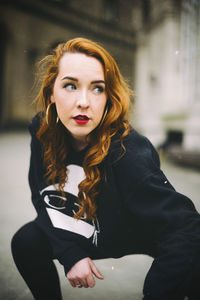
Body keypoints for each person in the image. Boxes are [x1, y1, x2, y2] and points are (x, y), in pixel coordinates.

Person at [11, 37, 200, 300]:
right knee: (27, 241)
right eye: (70, 86)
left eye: (97, 89)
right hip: (86, 229)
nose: (84, 102)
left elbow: (187, 226)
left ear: (109, 97)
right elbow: (41, 195)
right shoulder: (42, 130)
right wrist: (70, 253)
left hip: (133, 230)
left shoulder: (127, 151)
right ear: (51, 93)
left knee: (189, 259)